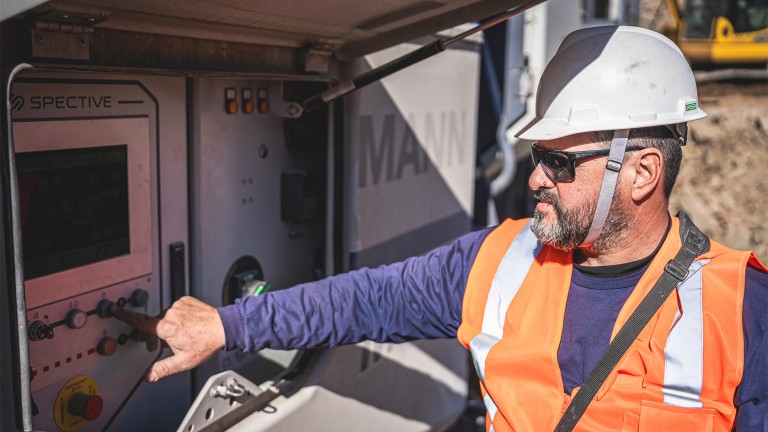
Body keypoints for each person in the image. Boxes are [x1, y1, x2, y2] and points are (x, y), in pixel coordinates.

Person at [144, 26, 768, 430]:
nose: (535, 181)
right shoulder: (500, 261)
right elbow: (365, 300)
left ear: (641, 174)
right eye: (535, 158)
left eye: (558, 162)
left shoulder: (743, 311)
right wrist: (227, 326)